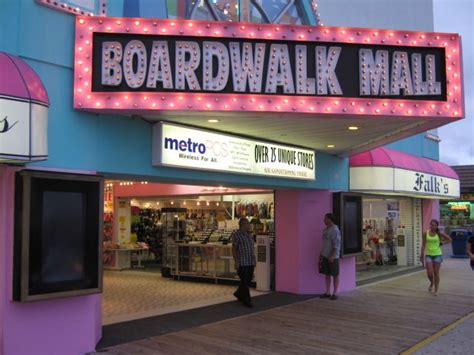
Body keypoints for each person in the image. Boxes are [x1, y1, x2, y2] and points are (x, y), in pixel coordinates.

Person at [420, 219, 452, 295]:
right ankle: (432, 283)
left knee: (436, 273)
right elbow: (423, 245)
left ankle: (436, 290)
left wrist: (442, 243)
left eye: (434, 225)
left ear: (437, 226)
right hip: (428, 255)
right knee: (429, 273)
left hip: (437, 254)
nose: (433, 226)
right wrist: (421, 255)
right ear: (430, 225)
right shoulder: (425, 233)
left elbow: (450, 239)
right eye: (431, 225)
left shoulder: (439, 233)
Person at [232, 217, 256, 308]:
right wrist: (236, 261)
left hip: (250, 262)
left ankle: (238, 293)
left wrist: (254, 260)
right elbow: (234, 249)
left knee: (247, 281)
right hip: (242, 262)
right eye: (248, 224)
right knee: (245, 282)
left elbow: (251, 248)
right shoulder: (237, 235)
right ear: (243, 225)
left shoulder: (249, 235)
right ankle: (247, 300)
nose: (249, 225)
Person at [319, 213, 342, 300]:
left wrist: (332, 255)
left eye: (325, 219)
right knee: (327, 274)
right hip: (325, 255)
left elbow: (337, 244)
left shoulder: (335, 230)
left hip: (333, 256)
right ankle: (328, 292)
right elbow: (325, 243)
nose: (324, 220)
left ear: (330, 219)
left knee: (335, 274)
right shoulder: (325, 229)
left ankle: (335, 292)